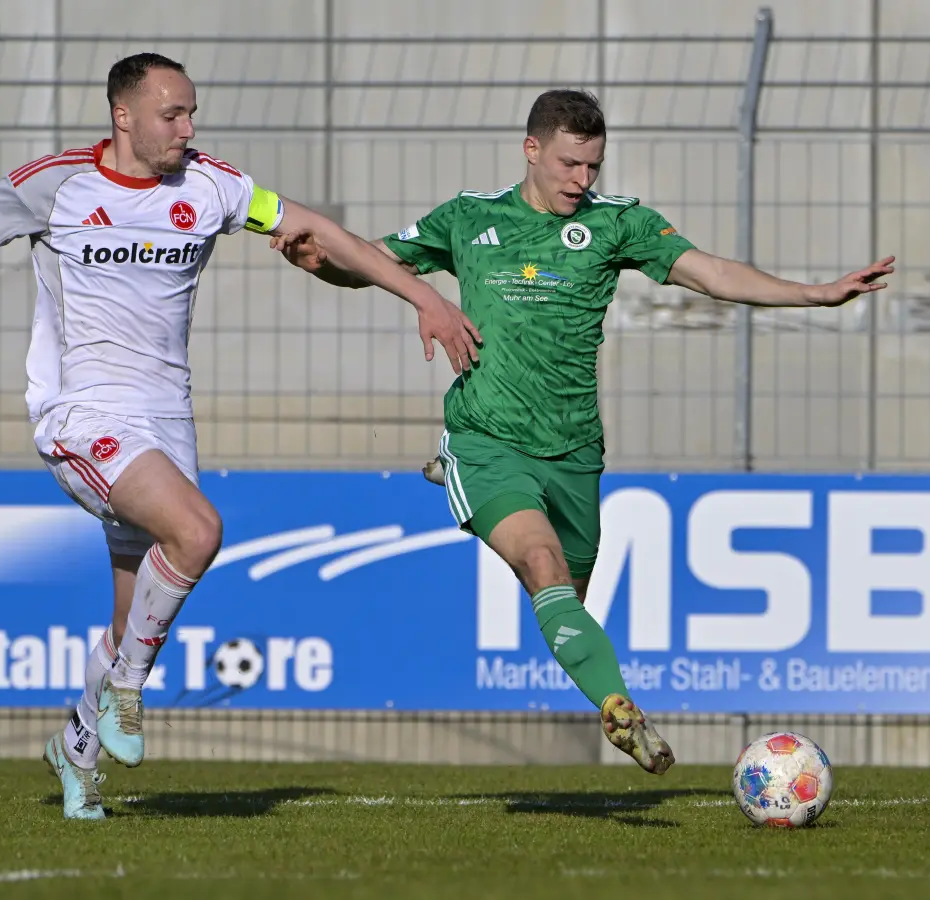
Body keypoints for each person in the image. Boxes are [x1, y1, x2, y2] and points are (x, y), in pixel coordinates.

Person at [0, 52, 481, 820]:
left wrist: (424, 297)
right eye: (171, 115)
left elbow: (314, 227)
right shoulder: (54, 184)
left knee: (130, 618)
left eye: (192, 114)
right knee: (197, 529)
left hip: (166, 424)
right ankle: (124, 691)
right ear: (123, 117)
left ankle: (76, 748)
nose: (187, 129)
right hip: (82, 416)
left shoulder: (211, 187)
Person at [272, 88, 894, 776]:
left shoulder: (616, 225)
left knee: (568, 594)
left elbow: (710, 272)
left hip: (574, 452)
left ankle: (470, 496)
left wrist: (815, 293)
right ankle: (622, 711)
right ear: (531, 150)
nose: (581, 181)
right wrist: (320, 262)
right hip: (489, 435)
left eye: (593, 167)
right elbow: (374, 262)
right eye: (569, 164)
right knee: (539, 562)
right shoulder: (471, 218)